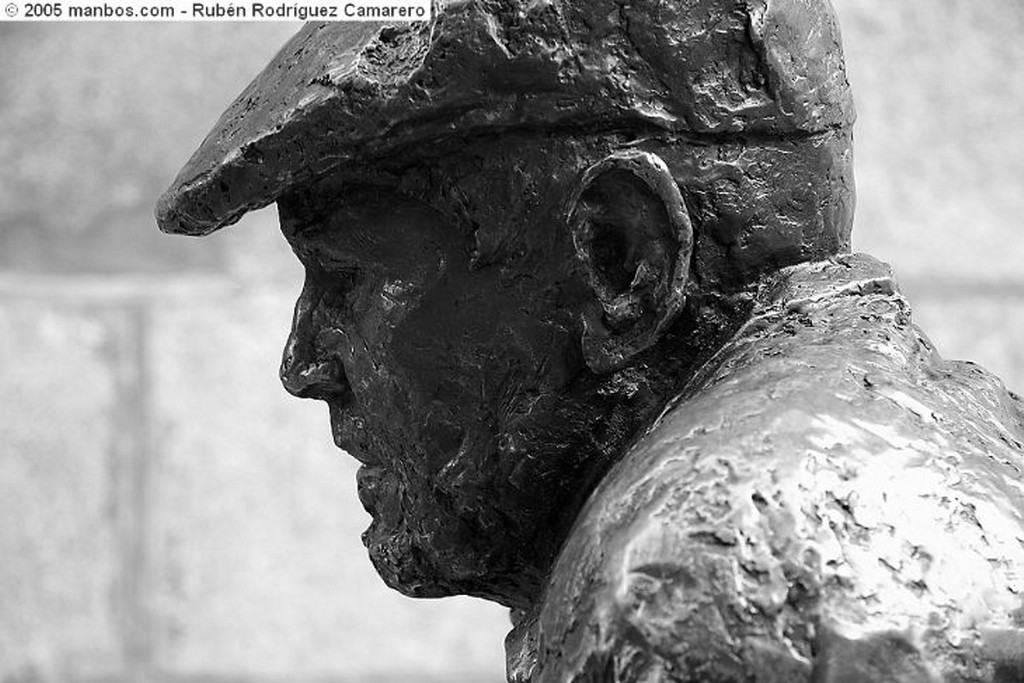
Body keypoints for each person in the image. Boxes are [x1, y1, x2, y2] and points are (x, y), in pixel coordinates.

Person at [156, 2, 1024, 681]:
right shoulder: (961, 436)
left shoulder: (709, 579)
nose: (302, 365)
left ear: (621, 262)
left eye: (346, 279)